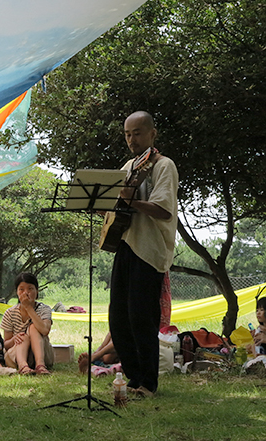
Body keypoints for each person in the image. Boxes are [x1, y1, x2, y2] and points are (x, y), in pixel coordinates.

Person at [108, 111, 178, 398]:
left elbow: (163, 209)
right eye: (127, 134)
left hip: (149, 251)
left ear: (152, 134)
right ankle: (133, 378)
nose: (131, 139)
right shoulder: (129, 166)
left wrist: (132, 201)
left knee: (141, 318)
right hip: (126, 244)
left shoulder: (163, 166)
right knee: (118, 318)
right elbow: (118, 205)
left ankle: (148, 383)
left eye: (137, 133)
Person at [1, 272, 54, 375]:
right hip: (17, 355)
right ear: (17, 292)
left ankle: (40, 365)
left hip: (42, 353)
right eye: (21, 289)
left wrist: (29, 308)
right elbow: (6, 344)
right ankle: (23, 367)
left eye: (30, 289)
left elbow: (44, 330)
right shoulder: (10, 313)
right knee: (23, 337)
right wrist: (14, 339)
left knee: (34, 327)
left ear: (37, 291)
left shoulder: (44, 309)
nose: (26, 293)